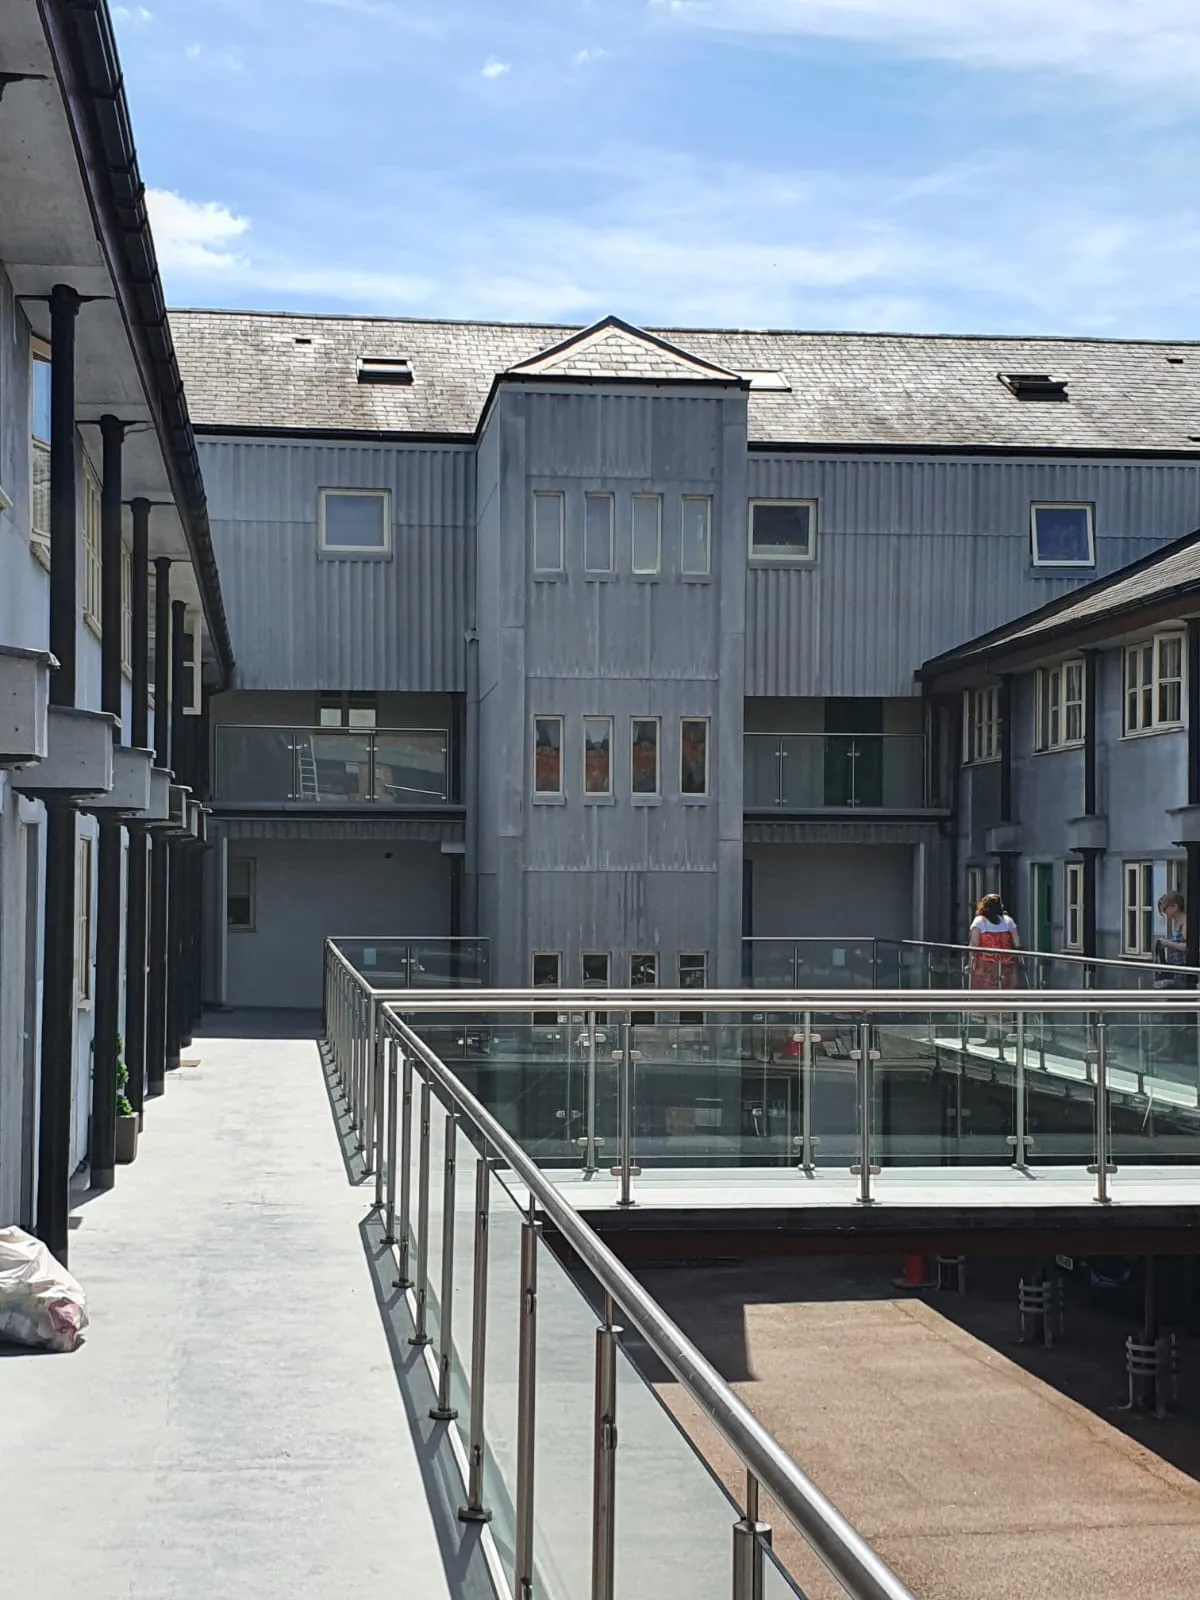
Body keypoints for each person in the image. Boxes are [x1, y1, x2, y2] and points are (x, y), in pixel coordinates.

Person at [968, 894, 1020, 1042]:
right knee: (1003, 998)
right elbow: (1017, 943)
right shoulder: (1008, 921)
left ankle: (991, 1034)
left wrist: (970, 960)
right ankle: (1000, 1033)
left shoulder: (980, 922)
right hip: (1007, 966)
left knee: (988, 999)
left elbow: (975, 944)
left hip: (985, 966)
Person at [1153, 891, 1187, 989]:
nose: (1164, 913)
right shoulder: (1178, 923)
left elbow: (1188, 947)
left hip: (1183, 972)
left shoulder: (1185, 922)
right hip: (1177, 970)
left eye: (1164, 909)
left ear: (1174, 906)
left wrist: (1168, 943)